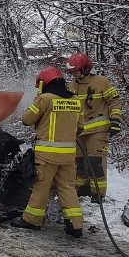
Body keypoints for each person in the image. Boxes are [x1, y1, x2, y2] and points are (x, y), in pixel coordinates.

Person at [10, 66, 84, 237]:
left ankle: (31, 220)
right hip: (68, 156)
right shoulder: (76, 100)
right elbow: (80, 127)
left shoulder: (45, 99)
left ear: (44, 83)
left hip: (47, 155)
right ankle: (76, 225)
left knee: (41, 187)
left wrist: (38, 100)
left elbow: (26, 120)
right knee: (67, 187)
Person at [65, 53, 122, 203]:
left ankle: (98, 195)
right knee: (79, 163)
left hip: (98, 130)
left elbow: (115, 102)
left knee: (95, 162)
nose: (72, 74)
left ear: (84, 69)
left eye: (74, 71)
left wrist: (116, 120)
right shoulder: (72, 86)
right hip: (79, 131)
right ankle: (83, 191)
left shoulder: (101, 82)